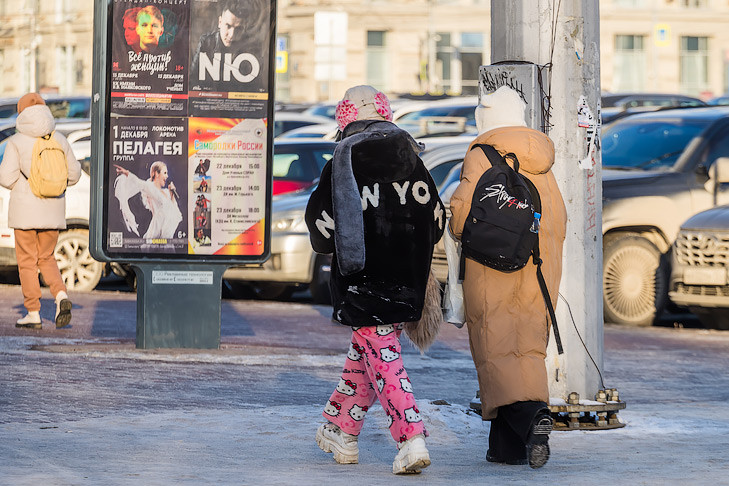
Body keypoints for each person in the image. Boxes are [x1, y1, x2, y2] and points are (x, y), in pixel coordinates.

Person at [305, 85, 445, 475]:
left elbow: (320, 231)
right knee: (365, 356)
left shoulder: (344, 160)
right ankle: (341, 431)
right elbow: (435, 221)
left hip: (364, 284)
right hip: (409, 281)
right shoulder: (413, 160)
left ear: (345, 120)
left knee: (385, 361)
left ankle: (411, 437)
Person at [448, 86, 567, 469]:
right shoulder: (542, 159)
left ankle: (532, 417)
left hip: (493, 266)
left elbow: (463, 217)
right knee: (526, 348)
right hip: (539, 268)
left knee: (496, 348)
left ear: (488, 117)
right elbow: (558, 220)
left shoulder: (482, 153)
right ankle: (506, 449)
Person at [0, 93, 81, 329]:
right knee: (47, 258)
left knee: (26, 262)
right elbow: (74, 175)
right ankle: (60, 296)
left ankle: (33, 312)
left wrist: (24, 186)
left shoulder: (16, 141)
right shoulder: (60, 139)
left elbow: (5, 177)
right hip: (53, 211)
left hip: (24, 213)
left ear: (21, 112)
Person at [190, 0, 266, 91]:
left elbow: (257, 86)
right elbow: (193, 80)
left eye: (238, 29)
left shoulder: (251, 47)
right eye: (228, 26)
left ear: (244, 28)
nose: (231, 35)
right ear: (220, 22)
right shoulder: (206, 43)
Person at [114, 160, 182, 240]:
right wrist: (126, 172)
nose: (167, 176)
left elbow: (173, 211)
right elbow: (139, 182)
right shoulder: (150, 187)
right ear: (156, 173)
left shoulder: (167, 192)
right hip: (157, 230)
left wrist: (171, 194)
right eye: (165, 173)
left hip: (167, 232)